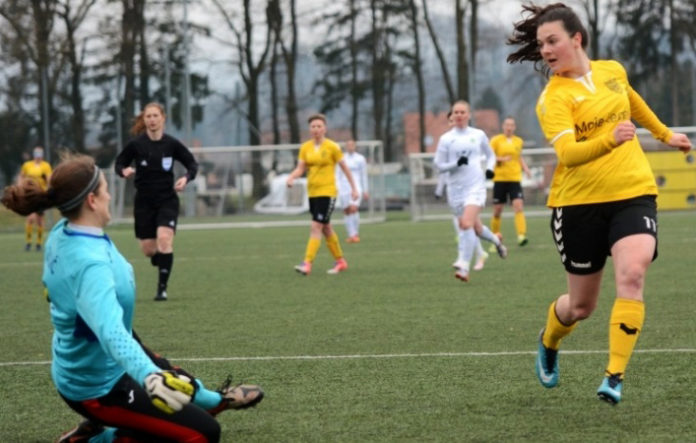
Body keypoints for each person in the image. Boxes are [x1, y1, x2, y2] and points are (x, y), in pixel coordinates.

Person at [1, 154, 264, 442]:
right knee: (203, 434)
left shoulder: (63, 232)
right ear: (92, 200)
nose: (110, 196)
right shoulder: (90, 264)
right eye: (106, 189)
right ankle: (97, 438)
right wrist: (148, 376)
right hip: (98, 387)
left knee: (172, 375)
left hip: (100, 353)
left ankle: (213, 400)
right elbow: (110, 332)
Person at [507, 2, 692, 404]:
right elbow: (568, 154)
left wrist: (665, 134)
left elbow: (632, 101)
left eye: (552, 41)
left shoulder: (612, 71)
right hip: (578, 205)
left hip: (633, 193)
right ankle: (550, 340)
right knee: (580, 307)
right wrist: (610, 139)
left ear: (577, 39)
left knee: (633, 274)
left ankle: (614, 376)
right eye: (541, 44)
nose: (546, 50)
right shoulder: (553, 99)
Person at [114, 102, 198, 301]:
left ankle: (162, 289)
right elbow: (119, 163)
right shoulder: (136, 145)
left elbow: (192, 164)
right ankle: (163, 259)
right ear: (144, 120)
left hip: (167, 199)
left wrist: (185, 178)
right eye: (148, 116)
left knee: (164, 239)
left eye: (155, 116)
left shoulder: (172, 144)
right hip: (143, 202)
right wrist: (123, 171)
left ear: (163, 118)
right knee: (149, 250)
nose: (152, 120)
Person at [434, 100, 508, 283]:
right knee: (476, 228)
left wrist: (490, 169)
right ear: (452, 116)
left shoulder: (478, 135)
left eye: (462, 112)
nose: (459, 115)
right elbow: (439, 165)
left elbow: (490, 155)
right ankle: (497, 241)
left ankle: (464, 265)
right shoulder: (446, 139)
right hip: (455, 190)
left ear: (469, 115)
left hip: (475, 187)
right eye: (456, 112)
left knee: (465, 223)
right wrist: (455, 164)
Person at [287, 113, 359, 275]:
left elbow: (345, 169)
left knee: (316, 226)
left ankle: (307, 263)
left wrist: (354, 189)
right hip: (313, 193)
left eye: (319, 126)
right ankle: (340, 261)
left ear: (325, 129)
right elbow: (300, 168)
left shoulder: (332, 147)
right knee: (326, 228)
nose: (316, 129)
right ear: (309, 129)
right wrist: (291, 177)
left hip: (328, 192)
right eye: (313, 126)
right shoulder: (305, 147)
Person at [438, 111, 489, 271]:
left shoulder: (470, 142)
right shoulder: (448, 143)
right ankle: (483, 251)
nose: (453, 122)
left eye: (455, 119)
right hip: (454, 192)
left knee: (465, 226)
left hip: (469, 192)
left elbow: (479, 160)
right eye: (451, 120)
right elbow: (442, 170)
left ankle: (465, 261)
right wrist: (439, 189)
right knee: (469, 227)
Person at [489, 116, 532, 247]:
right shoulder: (496, 140)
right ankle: (495, 238)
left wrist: (526, 169)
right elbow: (490, 156)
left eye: (511, 125)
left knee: (518, 205)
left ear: (514, 127)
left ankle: (521, 235)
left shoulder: (518, 141)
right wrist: (501, 159)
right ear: (503, 126)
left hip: (514, 179)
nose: (509, 127)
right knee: (497, 210)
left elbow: (519, 157)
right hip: (500, 179)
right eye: (507, 125)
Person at [19, 146, 52, 251]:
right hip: (29, 195)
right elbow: (21, 176)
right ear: (34, 154)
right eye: (36, 153)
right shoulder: (27, 165)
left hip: (40, 195)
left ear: (42, 154)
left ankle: (38, 243)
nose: (38, 155)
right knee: (30, 219)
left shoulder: (46, 166)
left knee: (39, 220)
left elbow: (49, 180)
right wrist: (20, 187)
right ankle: (28, 242)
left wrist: (48, 191)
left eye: (40, 153)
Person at [336, 139, 369, 243]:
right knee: (346, 211)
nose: (350, 147)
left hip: (356, 186)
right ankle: (351, 234)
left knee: (353, 208)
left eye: (352, 145)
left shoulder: (360, 158)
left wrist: (365, 190)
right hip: (344, 187)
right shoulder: (341, 158)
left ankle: (355, 233)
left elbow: (363, 175)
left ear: (355, 146)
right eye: (348, 145)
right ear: (346, 146)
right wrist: (337, 187)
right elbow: (337, 174)